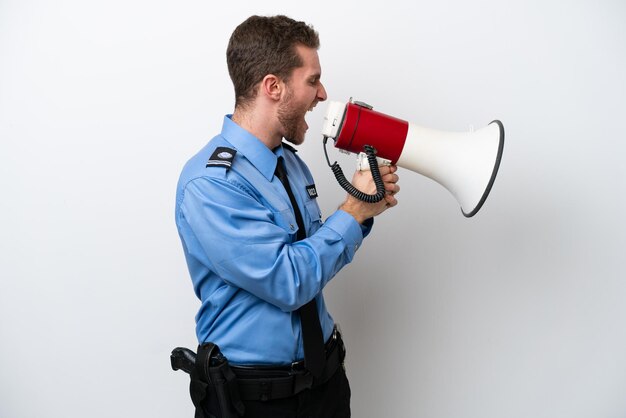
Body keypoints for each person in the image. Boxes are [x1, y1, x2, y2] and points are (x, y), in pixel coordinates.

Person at [175, 14, 400, 418]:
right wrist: (353, 208)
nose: (322, 94)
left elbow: (315, 253)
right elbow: (288, 281)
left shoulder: (290, 165)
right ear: (273, 87)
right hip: (258, 401)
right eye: (312, 80)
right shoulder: (211, 185)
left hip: (325, 385)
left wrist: (365, 209)